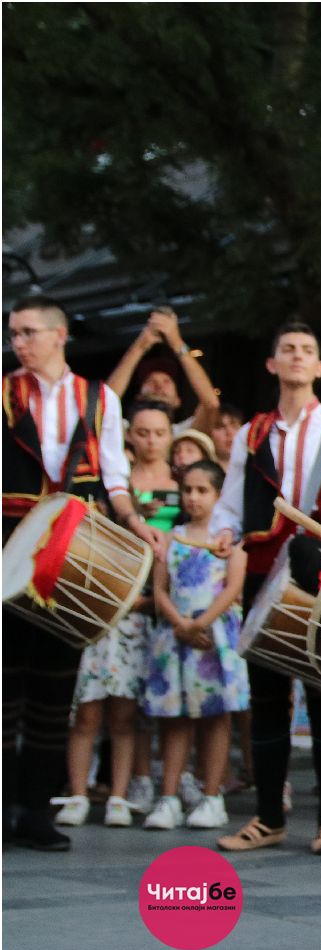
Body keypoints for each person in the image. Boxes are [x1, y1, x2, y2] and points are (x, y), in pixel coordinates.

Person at [211, 320, 321, 856]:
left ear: (318, 368)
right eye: (286, 349)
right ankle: (268, 818)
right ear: (272, 363)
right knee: (266, 699)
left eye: (306, 350)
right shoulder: (252, 433)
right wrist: (222, 531)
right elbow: (231, 502)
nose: (296, 357)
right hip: (264, 568)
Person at [3, 296, 160, 851]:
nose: (18, 342)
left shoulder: (98, 398)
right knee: (5, 688)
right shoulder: (2, 393)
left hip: (72, 551)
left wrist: (136, 524)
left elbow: (115, 478)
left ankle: (36, 814)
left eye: (27, 332)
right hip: (7, 545)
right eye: (14, 333)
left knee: (53, 688)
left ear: (58, 335)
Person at [58, 400, 181, 827]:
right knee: (88, 708)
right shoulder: (116, 485)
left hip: (156, 607)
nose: (150, 440)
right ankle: (77, 793)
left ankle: (123, 792)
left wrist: (158, 598)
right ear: (128, 435)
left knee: (132, 709)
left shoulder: (184, 485)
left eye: (159, 432)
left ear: (171, 435)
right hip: (107, 606)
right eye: (141, 431)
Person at [142, 460, 248, 830]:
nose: (193, 497)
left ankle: (211, 795)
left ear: (219, 495)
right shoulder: (171, 539)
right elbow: (159, 589)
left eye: (202, 490)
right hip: (177, 636)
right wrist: (181, 624)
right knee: (175, 719)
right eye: (187, 490)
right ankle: (169, 796)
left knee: (216, 718)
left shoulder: (229, 542)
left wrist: (201, 623)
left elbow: (233, 588)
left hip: (214, 639)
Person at [106, 306, 221, 435]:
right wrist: (140, 346)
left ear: (178, 400)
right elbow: (104, 402)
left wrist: (177, 343)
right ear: (138, 397)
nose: (159, 386)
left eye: (167, 381)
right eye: (150, 381)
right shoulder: (126, 434)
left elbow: (211, 404)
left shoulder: (184, 435)